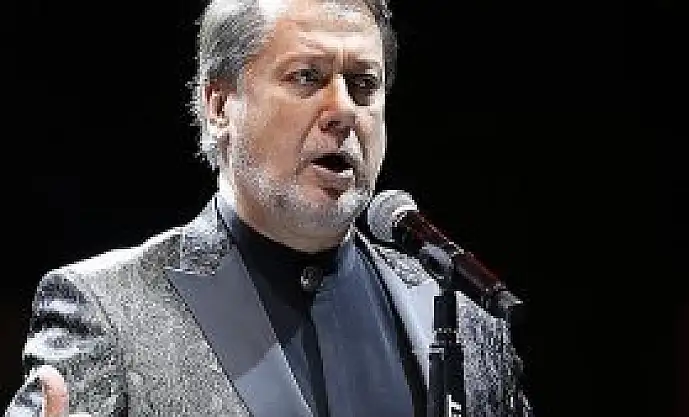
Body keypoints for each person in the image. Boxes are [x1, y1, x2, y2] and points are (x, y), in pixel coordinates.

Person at [4, 0, 532, 416]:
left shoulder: (464, 320)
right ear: (219, 106)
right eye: (306, 77)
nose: (343, 110)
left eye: (363, 84)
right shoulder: (111, 311)